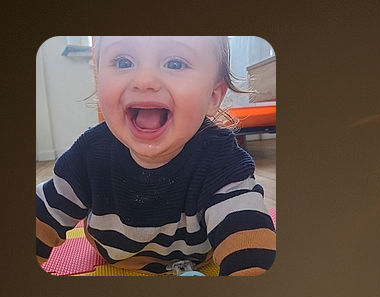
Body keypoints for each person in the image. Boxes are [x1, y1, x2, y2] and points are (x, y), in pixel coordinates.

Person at [36, 36, 275, 276]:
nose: (144, 81)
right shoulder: (89, 154)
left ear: (213, 96)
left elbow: (248, 235)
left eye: (175, 64)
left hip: (199, 259)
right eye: (122, 62)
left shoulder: (221, 158)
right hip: (114, 256)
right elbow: (43, 212)